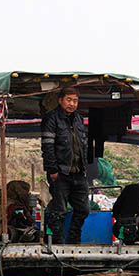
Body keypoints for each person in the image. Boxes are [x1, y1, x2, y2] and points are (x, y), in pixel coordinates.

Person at [41, 86, 94, 243]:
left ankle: (74, 238)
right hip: (60, 173)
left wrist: (84, 168)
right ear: (60, 100)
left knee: (84, 209)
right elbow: (47, 146)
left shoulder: (78, 119)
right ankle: (57, 242)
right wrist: (52, 170)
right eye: (69, 100)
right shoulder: (51, 118)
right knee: (60, 210)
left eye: (75, 101)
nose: (72, 104)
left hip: (78, 173)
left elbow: (83, 145)